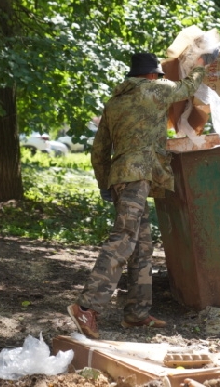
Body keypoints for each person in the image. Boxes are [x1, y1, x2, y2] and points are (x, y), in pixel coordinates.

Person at [68, 52, 207, 339]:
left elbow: (99, 150)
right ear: (153, 75)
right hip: (138, 176)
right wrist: (199, 68)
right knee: (123, 239)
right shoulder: (154, 89)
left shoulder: (115, 101)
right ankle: (87, 307)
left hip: (122, 178)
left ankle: (136, 315)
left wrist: (104, 182)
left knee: (142, 246)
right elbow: (187, 88)